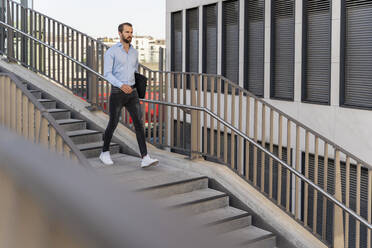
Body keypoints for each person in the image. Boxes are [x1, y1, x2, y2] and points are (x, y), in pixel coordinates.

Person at [99, 22, 159, 168]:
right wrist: (121, 85)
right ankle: (104, 152)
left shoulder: (134, 52)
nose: (130, 35)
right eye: (127, 32)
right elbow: (107, 74)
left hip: (132, 93)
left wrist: (138, 85)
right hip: (117, 92)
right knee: (113, 123)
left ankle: (145, 157)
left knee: (139, 124)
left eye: (131, 32)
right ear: (120, 33)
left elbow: (134, 71)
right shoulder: (112, 52)